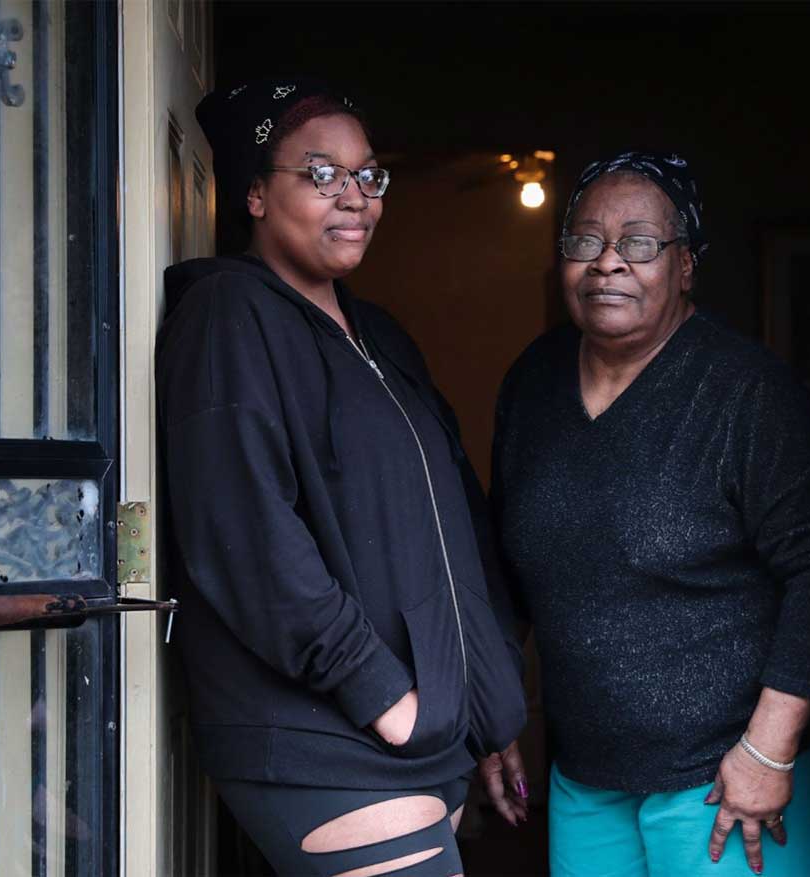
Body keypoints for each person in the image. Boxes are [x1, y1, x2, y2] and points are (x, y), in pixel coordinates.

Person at [156, 79, 527, 877]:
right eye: (321, 174)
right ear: (255, 192)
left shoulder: (380, 336)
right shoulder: (227, 316)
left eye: (368, 175)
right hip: (326, 732)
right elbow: (245, 536)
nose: (354, 196)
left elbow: (455, 517)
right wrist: (385, 697)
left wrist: (486, 702)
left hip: (418, 729)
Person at [492, 152, 810, 876]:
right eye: (585, 241)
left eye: (640, 243)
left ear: (685, 266)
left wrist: (768, 749)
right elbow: (506, 565)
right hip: (585, 779)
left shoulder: (747, 393)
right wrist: (493, 712)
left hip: (728, 784)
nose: (608, 263)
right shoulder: (533, 381)